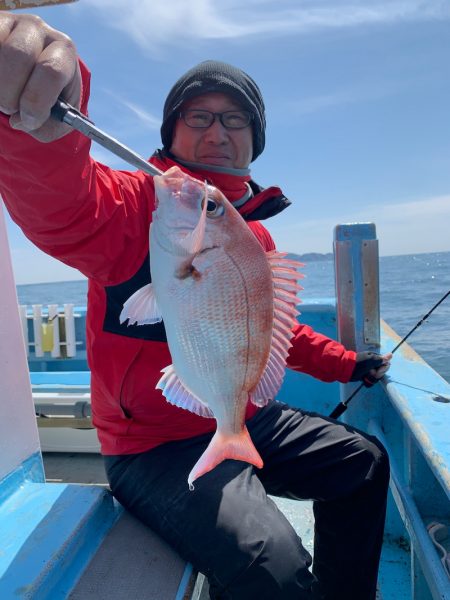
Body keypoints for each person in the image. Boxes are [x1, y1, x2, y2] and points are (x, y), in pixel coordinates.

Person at [0, 13, 392, 600]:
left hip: (240, 415)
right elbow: (64, 203)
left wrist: (347, 365)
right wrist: (35, 127)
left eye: (234, 120)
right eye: (199, 116)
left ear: (254, 141)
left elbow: (274, 332)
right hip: (151, 447)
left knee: (362, 462)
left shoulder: (252, 240)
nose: (217, 132)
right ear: (170, 134)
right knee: (275, 569)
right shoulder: (138, 205)